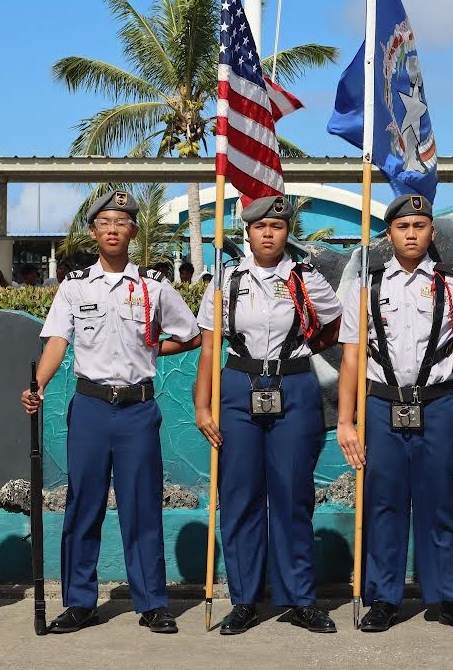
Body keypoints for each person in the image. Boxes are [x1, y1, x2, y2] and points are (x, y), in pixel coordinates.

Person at [21, 190, 201, 635]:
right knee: (83, 505)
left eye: (122, 221)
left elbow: (192, 335)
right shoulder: (74, 285)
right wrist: (37, 384)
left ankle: (152, 603)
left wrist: (153, 347)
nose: (114, 229)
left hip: (138, 409)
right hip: (91, 409)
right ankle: (80, 602)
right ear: (93, 231)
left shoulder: (154, 286)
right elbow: (57, 342)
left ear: (133, 232)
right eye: (105, 222)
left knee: (142, 506)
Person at [336, 193, 453, 634]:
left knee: (440, 502)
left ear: (431, 231)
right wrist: (346, 420)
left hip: (438, 405)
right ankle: (384, 599)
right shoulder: (367, 286)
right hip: (382, 406)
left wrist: (443, 358)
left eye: (420, 226)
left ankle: (448, 597)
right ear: (389, 234)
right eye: (403, 227)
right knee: (384, 503)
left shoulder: (452, 283)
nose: (412, 234)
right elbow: (351, 356)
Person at [193, 195, 343, 635]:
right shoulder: (224, 279)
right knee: (240, 496)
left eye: (277, 227)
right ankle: (244, 600)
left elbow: (333, 325)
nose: (268, 233)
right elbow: (208, 345)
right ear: (249, 231)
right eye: (261, 227)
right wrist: (203, 405)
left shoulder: (305, 278)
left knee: (293, 495)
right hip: (239, 386)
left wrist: (302, 353)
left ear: (285, 232)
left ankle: (299, 598)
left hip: (294, 386)